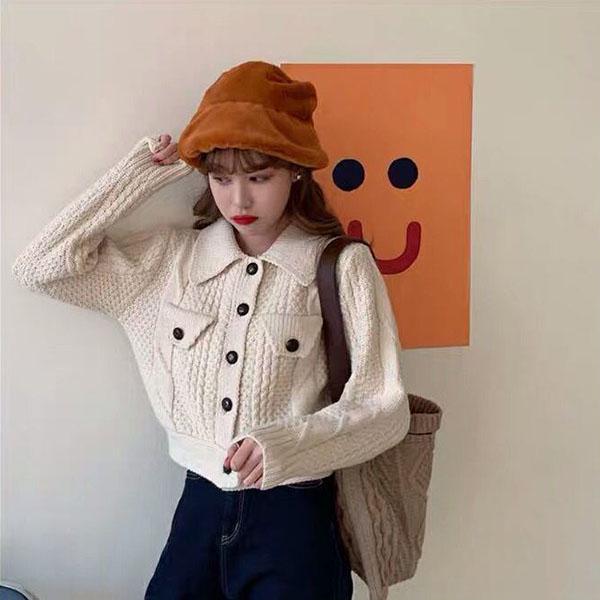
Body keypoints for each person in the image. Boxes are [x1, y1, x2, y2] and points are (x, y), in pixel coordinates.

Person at [11, 60, 411, 599]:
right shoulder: (169, 264)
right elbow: (41, 267)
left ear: (296, 170)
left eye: (259, 177)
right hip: (197, 510)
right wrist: (146, 174)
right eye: (221, 178)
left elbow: (384, 409)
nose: (238, 200)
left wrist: (287, 446)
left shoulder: (341, 266)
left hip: (294, 518)